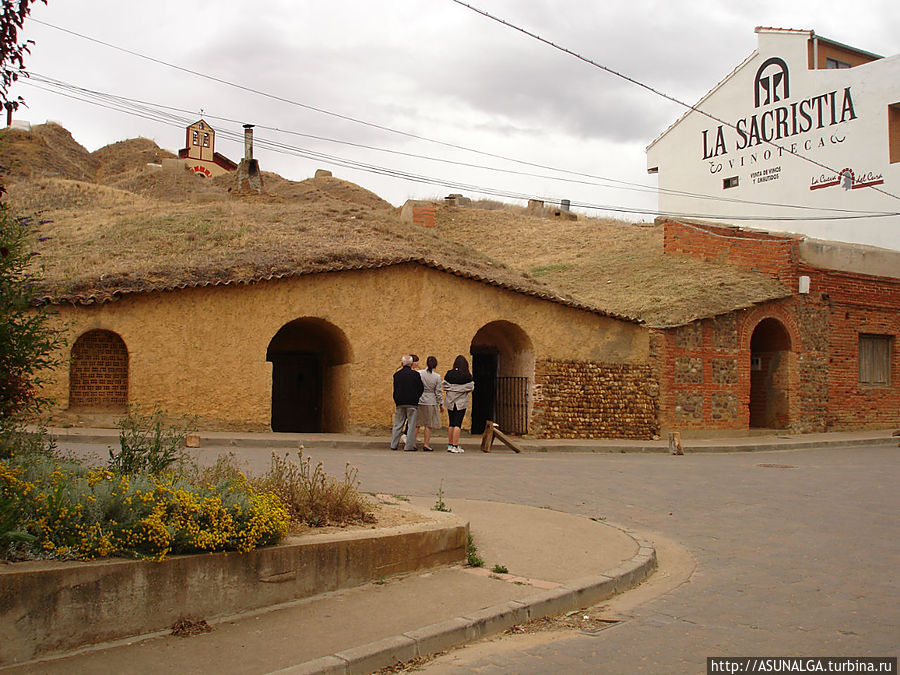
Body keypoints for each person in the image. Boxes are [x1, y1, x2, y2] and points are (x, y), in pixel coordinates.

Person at [390, 355, 424, 451]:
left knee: (398, 424)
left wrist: (396, 399)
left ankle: (393, 444)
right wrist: (416, 397)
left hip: (400, 402)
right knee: (411, 425)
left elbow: (395, 388)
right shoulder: (415, 375)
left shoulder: (397, 375)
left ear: (402, 363)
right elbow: (421, 388)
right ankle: (408, 446)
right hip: (412, 402)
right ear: (411, 364)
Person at [442, 354, 474, 453]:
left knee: (451, 423)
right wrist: (461, 389)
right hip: (461, 402)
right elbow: (471, 387)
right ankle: (455, 445)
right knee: (458, 424)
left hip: (450, 401)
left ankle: (450, 445)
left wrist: (453, 389)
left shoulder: (449, 374)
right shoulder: (467, 375)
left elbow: (444, 386)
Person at [415, 356, 443, 452]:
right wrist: (441, 404)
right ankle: (426, 444)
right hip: (431, 401)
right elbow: (438, 392)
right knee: (428, 424)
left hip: (420, 399)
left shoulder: (419, 373)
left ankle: (413, 443)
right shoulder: (437, 377)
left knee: (416, 424)